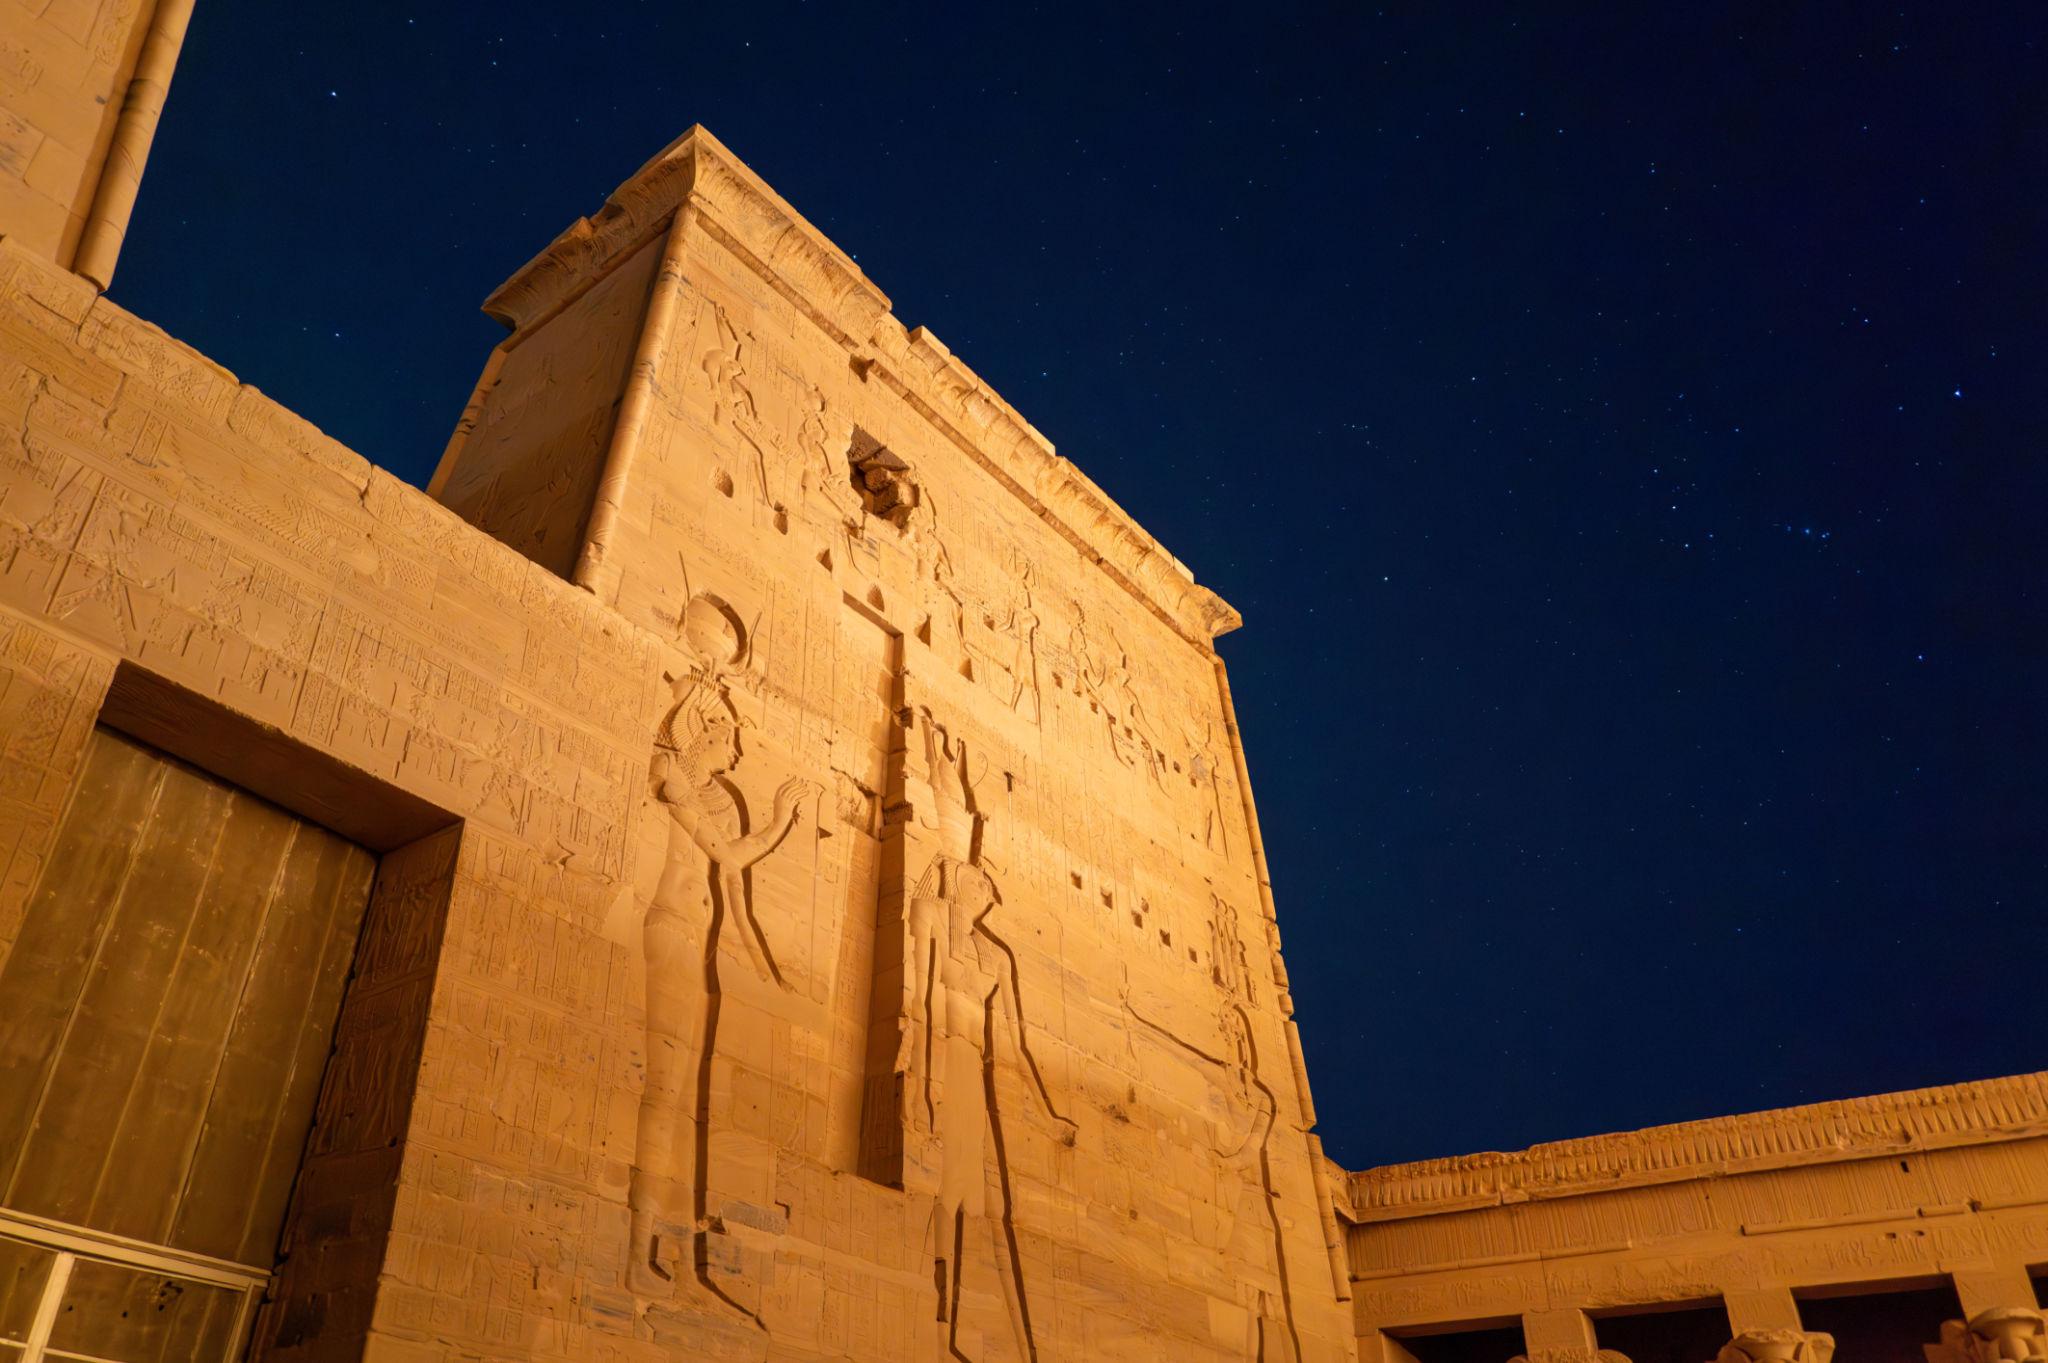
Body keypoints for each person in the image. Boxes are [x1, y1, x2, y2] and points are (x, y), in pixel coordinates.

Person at [628, 673, 813, 1305]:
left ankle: (674, 1250)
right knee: (661, 1092)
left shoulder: (724, 796)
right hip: (671, 927)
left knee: (683, 1098)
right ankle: (635, 1250)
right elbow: (727, 856)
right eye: (728, 737)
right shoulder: (671, 772)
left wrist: (768, 972)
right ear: (701, 731)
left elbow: (736, 899)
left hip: (701, 945)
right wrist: (782, 821)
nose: (735, 753)